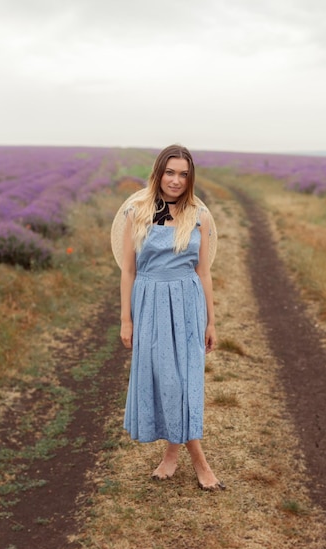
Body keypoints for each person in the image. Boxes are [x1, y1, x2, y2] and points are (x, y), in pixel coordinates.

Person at [118, 144, 225, 491]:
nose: (176, 180)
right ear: (158, 172)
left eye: (183, 174)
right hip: (150, 301)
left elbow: (204, 272)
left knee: (185, 380)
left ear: (189, 178)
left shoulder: (199, 216)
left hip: (187, 301)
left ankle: (180, 456)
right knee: (167, 379)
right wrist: (126, 319)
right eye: (170, 172)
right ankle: (191, 458)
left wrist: (211, 320)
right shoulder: (136, 213)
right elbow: (128, 271)